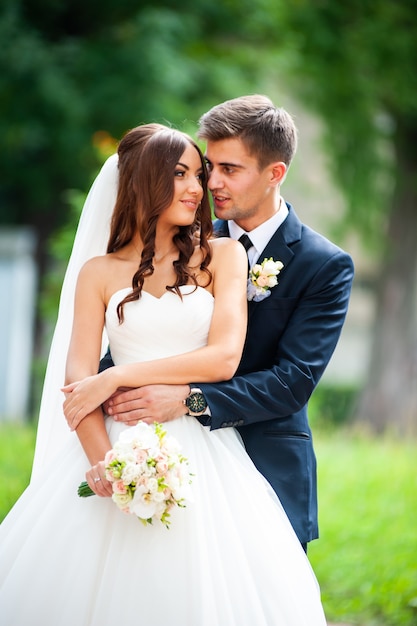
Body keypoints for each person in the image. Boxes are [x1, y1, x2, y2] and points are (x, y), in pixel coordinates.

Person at [0, 123, 327, 625]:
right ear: (141, 182)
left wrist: (117, 378)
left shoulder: (222, 256)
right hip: (114, 444)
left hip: (205, 449)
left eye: (201, 174)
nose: (199, 188)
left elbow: (223, 358)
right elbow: (77, 385)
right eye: (182, 174)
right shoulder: (98, 273)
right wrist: (106, 464)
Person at [97, 95, 355, 551]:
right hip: (165, 459)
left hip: (265, 458)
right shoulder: (183, 244)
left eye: (229, 169)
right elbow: (138, 333)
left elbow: (292, 382)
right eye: (206, 167)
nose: (210, 183)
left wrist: (189, 401)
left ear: (275, 173)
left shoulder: (324, 265)